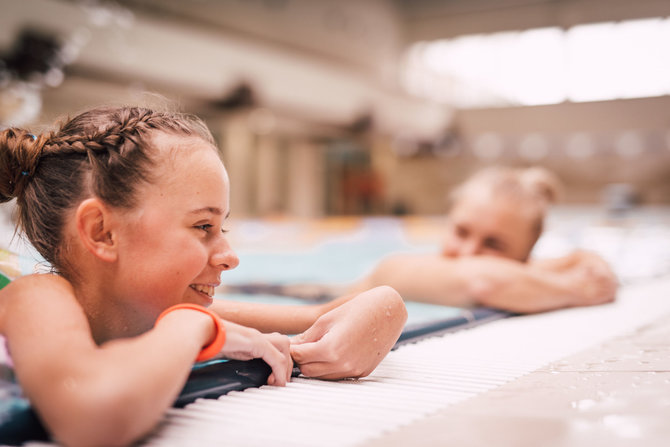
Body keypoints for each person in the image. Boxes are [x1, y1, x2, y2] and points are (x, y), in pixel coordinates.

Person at [0, 106, 407, 447]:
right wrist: (191, 326)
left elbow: (327, 315)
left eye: (223, 228)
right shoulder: (34, 296)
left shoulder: (146, 304)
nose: (230, 258)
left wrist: (388, 305)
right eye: (202, 227)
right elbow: (90, 415)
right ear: (102, 232)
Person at [245, 166, 618, 314]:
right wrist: (580, 290)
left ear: (526, 254)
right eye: (461, 231)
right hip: (304, 293)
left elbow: (579, 260)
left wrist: (587, 265)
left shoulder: (528, 274)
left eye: (494, 244)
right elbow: (485, 279)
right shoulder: (402, 268)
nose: (468, 252)